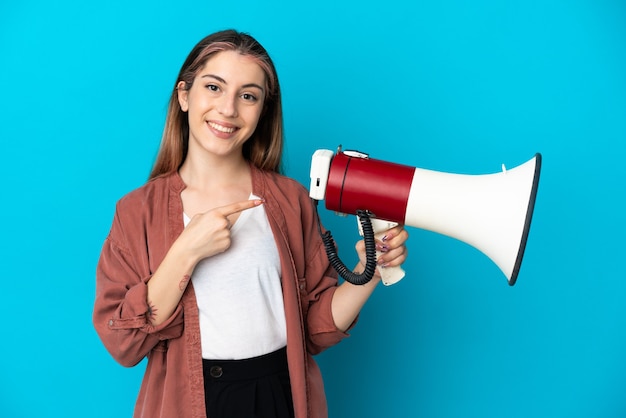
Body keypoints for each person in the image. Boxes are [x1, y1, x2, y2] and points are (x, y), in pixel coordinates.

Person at [93, 29, 408, 418]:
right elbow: (122, 343)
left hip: (279, 395)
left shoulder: (289, 199)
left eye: (247, 96)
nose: (228, 109)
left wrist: (371, 269)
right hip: (192, 402)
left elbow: (315, 328)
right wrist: (185, 252)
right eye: (213, 87)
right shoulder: (137, 211)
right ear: (184, 96)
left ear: (261, 111)